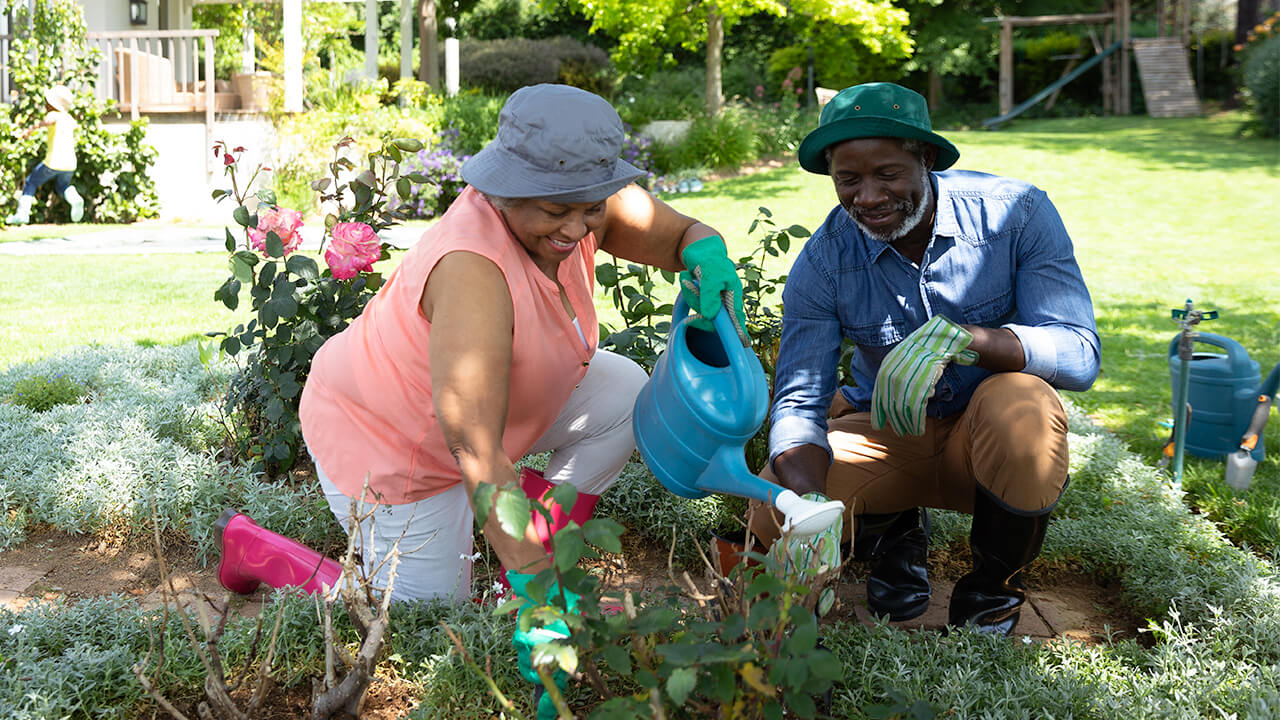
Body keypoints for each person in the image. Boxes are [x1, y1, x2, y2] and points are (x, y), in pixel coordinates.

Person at [214, 84, 744, 603]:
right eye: (557, 210)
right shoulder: (473, 273)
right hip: (392, 440)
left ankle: (524, 556)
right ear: (509, 186)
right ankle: (255, 550)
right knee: (422, 620)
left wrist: (709, 256)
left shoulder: (578, 201)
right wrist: (545, 596)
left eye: (591, 209)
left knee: (624, 391)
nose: (577, 229)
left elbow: (680, 236)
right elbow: (476, 449)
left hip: (493, 413)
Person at [749, 82, 1100, 637]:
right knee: (775, 508)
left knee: (1023, 403)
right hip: (886, 429)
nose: (867, 197)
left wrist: (970, 341)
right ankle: (895, 534)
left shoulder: (1016, 214)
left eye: (887, 174)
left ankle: (991, 594)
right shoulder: (824, 262)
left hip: (987, 440)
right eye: (849, 179)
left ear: (926, 159)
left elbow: (1079, 354)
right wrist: (809, 503)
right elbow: (799, 398)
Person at [5, 84, 84, 225]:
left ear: (53, 104)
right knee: (62, 187)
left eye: (47, 102)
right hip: (70, 163)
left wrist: (31, 128)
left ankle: (22, 215)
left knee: (31, 182)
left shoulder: (54, 115)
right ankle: (74, 198)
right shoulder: (69, 118)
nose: (46, 104)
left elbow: (49, 121)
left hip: (54, 161)